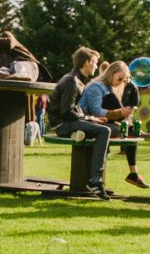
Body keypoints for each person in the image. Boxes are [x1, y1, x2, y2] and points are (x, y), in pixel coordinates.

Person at [47, 46, 112, 199]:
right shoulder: (71, 81)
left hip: (67, 122)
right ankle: (95, 181)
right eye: (95, 62)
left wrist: (91, 119)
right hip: (62, 125)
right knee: (104, 131)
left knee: (107, 129)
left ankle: (94, 179)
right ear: (87, 62)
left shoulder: (76, 80)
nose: (96, 66)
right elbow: (67, 112)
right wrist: (90, 119)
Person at [81, 60, 149, 189]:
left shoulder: (108, 88)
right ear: (111, 73)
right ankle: (98, 179)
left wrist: (122, 114)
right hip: (88, 122)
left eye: (124, 80)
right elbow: (96, 111)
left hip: (101, 122)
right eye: (120, 79)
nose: (121, 82)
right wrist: (120, 112)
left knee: (128, 133)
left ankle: (133, 173)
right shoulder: (97, 86)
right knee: (126, 129)